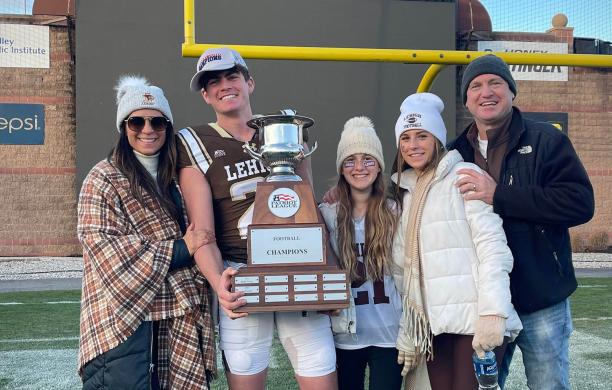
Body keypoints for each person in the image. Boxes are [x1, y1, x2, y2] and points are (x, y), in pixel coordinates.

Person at [176, 47, 337, 390]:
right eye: (213, 81)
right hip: (242, 273)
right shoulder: (193, 142)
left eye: (232, 76)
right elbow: (202, 230)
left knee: (321, 377)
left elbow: (308, 208)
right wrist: (219, 281)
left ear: (249, 82)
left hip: (299, 268)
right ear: (205, 95)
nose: (224, 85)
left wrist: (329, 272)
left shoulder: (286, 131)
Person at [449, 54, 595, 389]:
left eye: (495, 82)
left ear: (511, 92)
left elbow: (580, 203)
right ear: (467, 100)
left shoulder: (547, 140)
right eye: (475, 86)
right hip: (484, 301)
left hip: (540, 296)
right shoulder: (454, 152)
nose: (486, 92)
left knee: (549, 385)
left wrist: (499, 194)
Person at [77, 76, 216, 389]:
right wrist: (182, 248)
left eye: (157, 122)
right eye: (136, 122)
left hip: (178, 320)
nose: (147, 130)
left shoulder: (181, 179)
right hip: (123, 323)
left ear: (168, 126)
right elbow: (108, 255)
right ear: (124, 128)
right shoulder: (103, 179)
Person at [391, 92, 522, 390]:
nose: (413, 145)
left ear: (437, 139)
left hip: (474, 322)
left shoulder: (464, 175)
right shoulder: (407, 192)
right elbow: (405, 269)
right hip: (436, 326)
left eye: (422, 136)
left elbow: (493, 249)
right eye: (406, 138)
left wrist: (493, 313)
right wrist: (410, 329)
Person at [319, 117, 403, 390]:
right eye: (350, 160)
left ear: (379, 165)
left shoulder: (396, 212)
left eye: (368, 159)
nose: (359, 167)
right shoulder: (328, 214)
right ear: (341, 169)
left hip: (390, 335)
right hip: (345, 334)